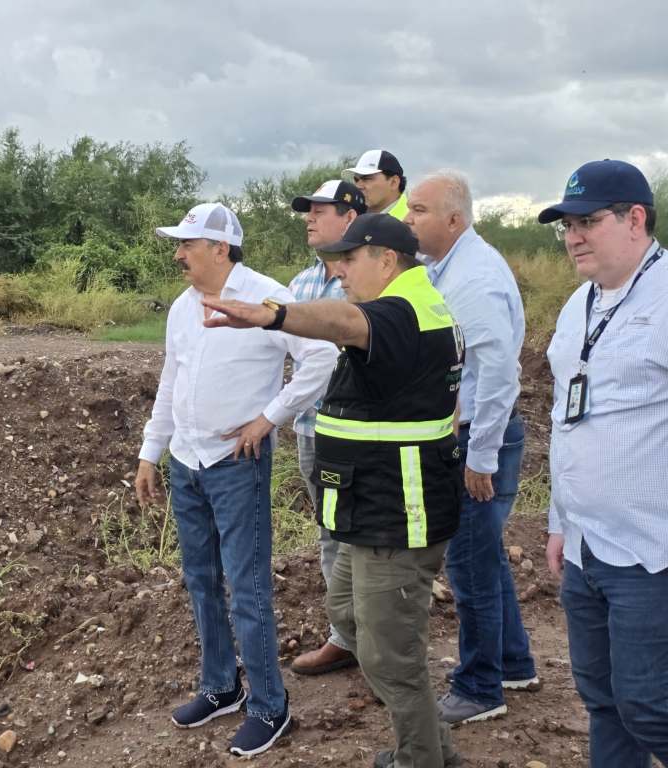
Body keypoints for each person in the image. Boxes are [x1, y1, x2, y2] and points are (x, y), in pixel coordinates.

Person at [203, 213, 464, 768]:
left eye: (349, 260)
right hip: (370, 511)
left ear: (386, 260)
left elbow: (342, 323)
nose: (337, 270)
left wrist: (273, 315)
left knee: (390, 657)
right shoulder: (415, 307)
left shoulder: (400, 312)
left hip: (397, 519)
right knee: (347, 612)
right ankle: (433, 748)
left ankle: (422, 758)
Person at [134, 202, 338, 757]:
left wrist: (270, 417)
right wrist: (151, 453)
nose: (178, 254)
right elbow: (170, 383)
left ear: (220, 248)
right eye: (178, 244)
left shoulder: (267, 297)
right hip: (188, 461)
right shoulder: (183, 307)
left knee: (246, 587)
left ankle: (271, 706)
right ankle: (221, 686)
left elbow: (321, 357)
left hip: (236, 464)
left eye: (188, 244)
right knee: (200, 580)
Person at [541, 159, 668, 767]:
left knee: (649, 704)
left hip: (652, 549)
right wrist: (559, 523)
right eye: (566, 225)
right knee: (603, 700)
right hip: (587, 547)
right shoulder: (578, 304)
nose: (573, 237)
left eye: (588, 221)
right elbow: (566, 420)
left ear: (635, 218)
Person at [405, 170, 539, 726]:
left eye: (418, 210)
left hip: (478, 439)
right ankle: (512, 662)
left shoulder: (475, 278)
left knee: (469, 567)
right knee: (481, 558)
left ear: (454, 220)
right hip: (475, 435)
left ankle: (480, 687)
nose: (408, 219)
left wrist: (480, 457)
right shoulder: (447, 269)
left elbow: (499, 374)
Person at [287, 179, 365, 676]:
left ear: (351, 217)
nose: (310, 218)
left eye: (321, 210)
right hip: (313, 431)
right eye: (307, 211)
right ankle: (345, 636)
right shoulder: (298, 285)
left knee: (373, 539)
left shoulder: (374, 281)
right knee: (330, 532)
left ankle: (379, 644)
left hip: (361, 434)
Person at [348, 149, 409, 219]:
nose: (358, 186)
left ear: (394, 182)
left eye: (367, 178)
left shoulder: (410, 221)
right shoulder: (352, 216)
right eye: (356, 180)